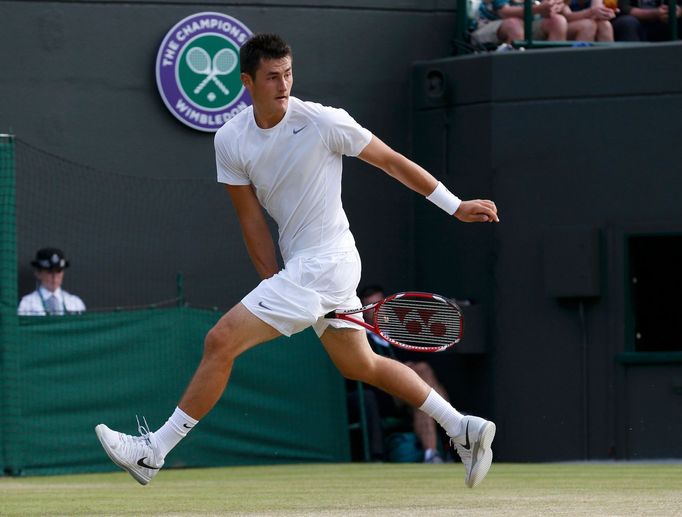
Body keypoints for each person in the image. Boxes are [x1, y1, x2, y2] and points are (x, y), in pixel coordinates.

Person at [94, 33, 500, 489]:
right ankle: (461, 426)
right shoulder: (230, 139)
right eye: (272, 77)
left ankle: (154, 451)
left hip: (330, 261)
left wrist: (456, 205)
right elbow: (251, 222)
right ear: (248, 82)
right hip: (303, 269)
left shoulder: (325, 122)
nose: (283, 84)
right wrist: (274, 283)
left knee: (220, 340)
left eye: (288, 73)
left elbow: (391, 161)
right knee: (360, 366)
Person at [358, 285, 454, 464]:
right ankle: (454, 424)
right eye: (371, 307)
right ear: (364, 312)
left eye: (380, 304)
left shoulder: (401, 334)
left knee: (423, 392)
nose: (376, 311)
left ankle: (431, 454)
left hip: (412, 391)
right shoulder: (362, 340)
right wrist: (402, 369)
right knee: (422, 377)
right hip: (386, 394)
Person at [469, 0, 568, 48]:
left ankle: (552, 74)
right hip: (487, 26)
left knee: (558, 21)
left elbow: (549, 6)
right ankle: (514, 77)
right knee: (514, 25)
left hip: (526, 27)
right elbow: (504, 12)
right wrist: (538, 9)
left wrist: (554, 6)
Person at [17, 247, 86, 316]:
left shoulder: (75, 303)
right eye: (49, 272)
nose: (54, 277)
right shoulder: (27, 304)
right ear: (38, 273)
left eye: (58, 271)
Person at [617, 0, 682, 41]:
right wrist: (655, 13)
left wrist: (678, 11)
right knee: (628, 22)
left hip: (668, 21)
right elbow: (623, 8)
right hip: (637, 22)